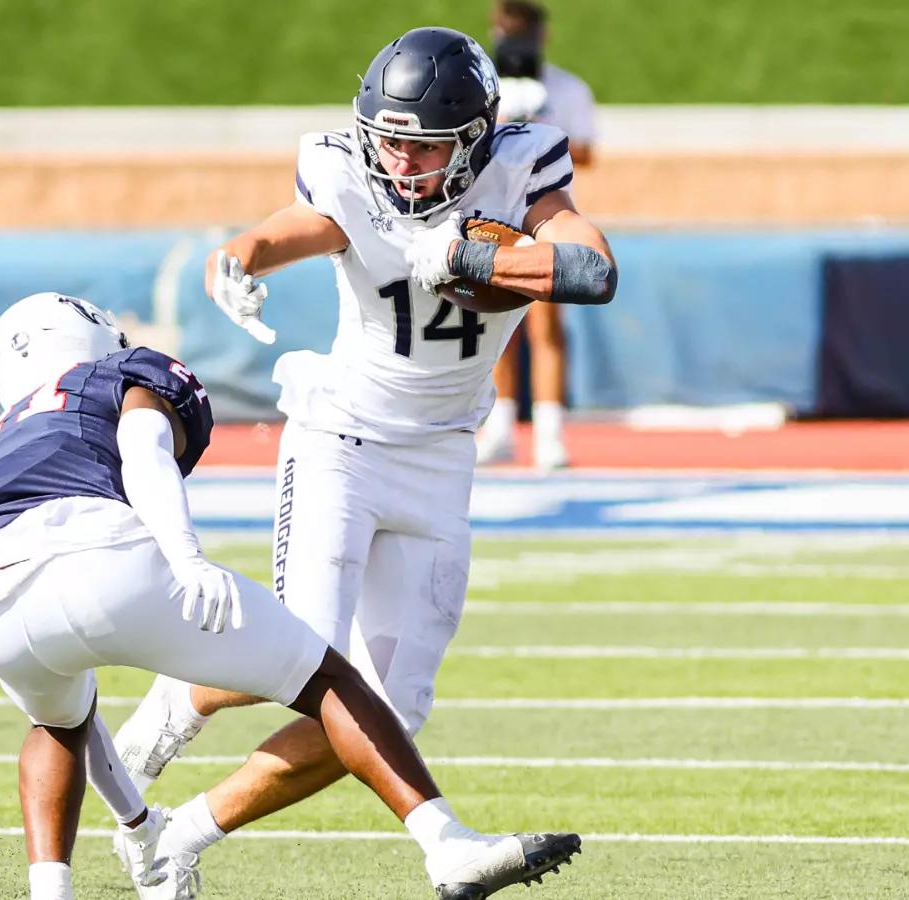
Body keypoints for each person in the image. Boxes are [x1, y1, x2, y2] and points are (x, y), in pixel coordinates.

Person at [112, 25, 616, 893]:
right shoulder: (348, 166)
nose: (398, 163)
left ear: (473, 141)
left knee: (387, 713)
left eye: (421, 148)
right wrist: (236, 257)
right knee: (304, 657)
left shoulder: (520, 165)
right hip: (341, 436)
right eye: (388, 140)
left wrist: (473, 253)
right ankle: (172, 709)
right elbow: (301, 224)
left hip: (444, 455)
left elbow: (593, 268)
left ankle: (180, 839)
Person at [0, 291, 581, 900]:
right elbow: (144, 448)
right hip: (104, 557)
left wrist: (139, 825)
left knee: (56, 727)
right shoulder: (114, 373)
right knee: (332, 678)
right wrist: (184, 554)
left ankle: (55, 890)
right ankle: (446, 845)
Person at [477, 0, 601, 469]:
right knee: (495, 319)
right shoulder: (483, 85)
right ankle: (502, 424)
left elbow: (587, 153)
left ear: (542, 35)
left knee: (546, 323)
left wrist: (544, 129)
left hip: (545, 211)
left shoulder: (567, 89)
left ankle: (550, 431)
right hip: (494, 211)